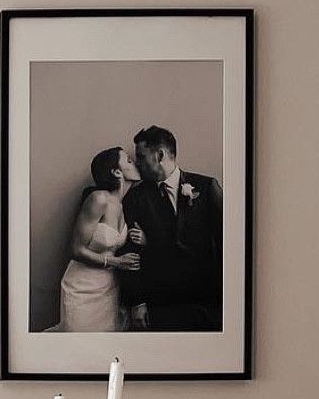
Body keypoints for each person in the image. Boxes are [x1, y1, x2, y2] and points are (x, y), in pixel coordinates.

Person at [122, 125, 223, 331]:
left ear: (159, 155)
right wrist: (137, 302)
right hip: (160, 301)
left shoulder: (205, 186)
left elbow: (228, 240)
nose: (138, 163)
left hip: (207, 298)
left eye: (141, 156)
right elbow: (130, 251)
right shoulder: (136, 197)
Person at [54, 146, 142, 331]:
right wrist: (116, 262)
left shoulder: (125, 204)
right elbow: (76, 249)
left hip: (109, 290)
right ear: (116, 172)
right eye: (129, 161)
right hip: (83, 289)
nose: (135, 163)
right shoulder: (99, 199)